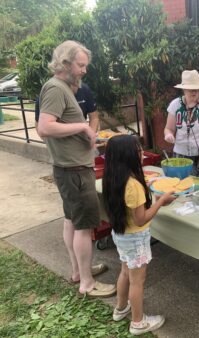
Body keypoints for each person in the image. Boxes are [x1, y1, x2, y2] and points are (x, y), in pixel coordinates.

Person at [37, 40, 116, 297]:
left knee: (72, 221)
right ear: (65, 63)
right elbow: (44, 127)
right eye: (81, 65)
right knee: (84, 226)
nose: (84, 70)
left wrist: (86, 132)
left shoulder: (64, 88)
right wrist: (83, 127)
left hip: (69, 168)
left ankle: (78, 271)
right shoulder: (55, 89)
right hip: (74, 170)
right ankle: (87, 283)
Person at [102, 135, 176, 335]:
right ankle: (138, 322)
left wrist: (156, 198)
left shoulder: (113, 177)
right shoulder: (133, 185)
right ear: (127, 156)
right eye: (138, 151)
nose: (142, 154)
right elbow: (141, 219)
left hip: (122, 235)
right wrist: (161, 201)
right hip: (135, 238)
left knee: (125, 272)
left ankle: (120, 308)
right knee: (138, 280)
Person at [163, 70, 199, 170]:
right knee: (181, 183)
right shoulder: (175, 104)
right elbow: (168, 128)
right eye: (190, 89)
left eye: (196, 89)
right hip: (180, 154)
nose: (194, 92)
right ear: (184, 90)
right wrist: (168, 134)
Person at [35, 83, 99, 132]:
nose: (84, 71)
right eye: (80, 65)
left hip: (82, 140)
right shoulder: (50, 91)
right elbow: (39, 124)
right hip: (59, 142)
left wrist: (91, 136)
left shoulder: (84, 89)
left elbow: (94, 117)